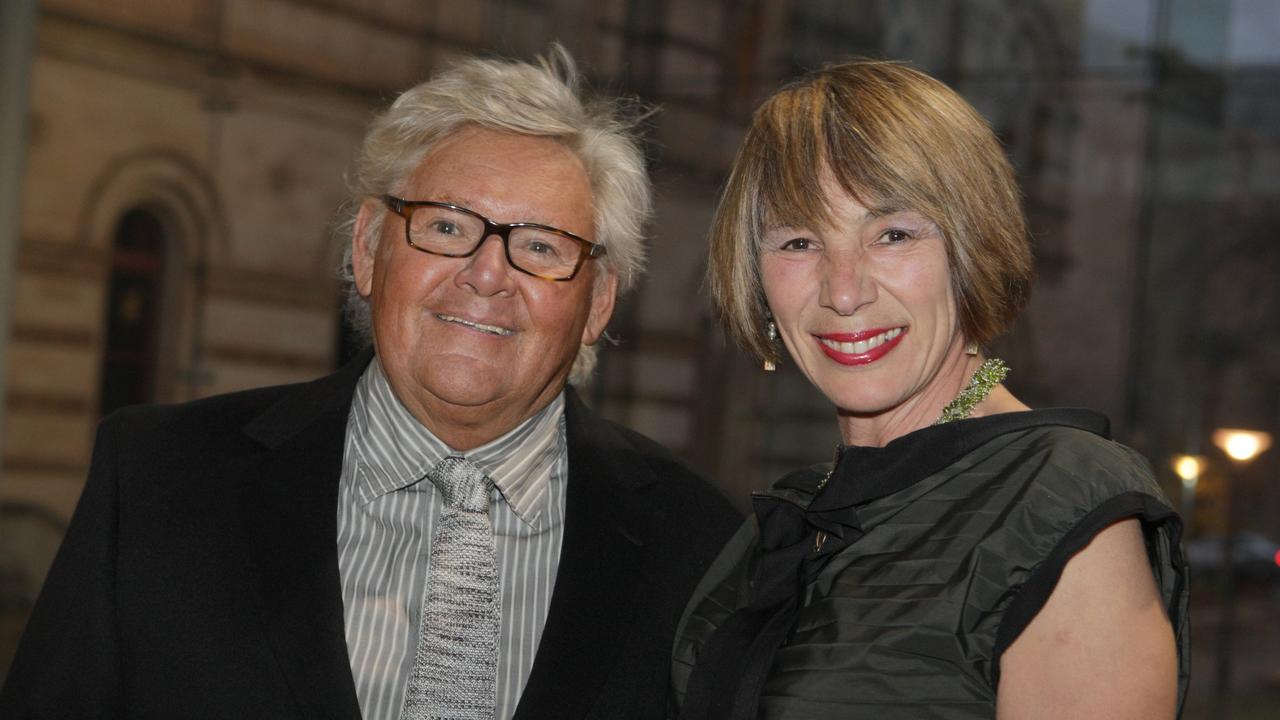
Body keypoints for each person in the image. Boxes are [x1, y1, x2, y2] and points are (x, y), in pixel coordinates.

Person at [1, 47, 740, 720]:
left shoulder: (706, 551)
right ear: (367, 249)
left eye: (541, 246)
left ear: (597, 304)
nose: (487, 275)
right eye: (447, 227)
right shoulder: (157, 482)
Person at [671, 59, 1188, 719]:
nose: (844, 289)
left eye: (893, 234)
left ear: (972, 247)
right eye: (799, 241)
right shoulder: (790, 520)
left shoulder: (1060, 504)